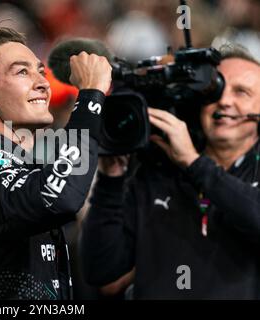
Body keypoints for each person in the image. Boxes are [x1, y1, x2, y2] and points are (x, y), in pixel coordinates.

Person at [0, 27, 112, 300]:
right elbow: (62, 196)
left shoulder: (11, 167)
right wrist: (90, 97)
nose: (43, 83)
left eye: (40, 71)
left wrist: (113, 178)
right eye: (22, 72)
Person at [80, 47, 260, 299]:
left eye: (241, 92)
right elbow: (101, 269)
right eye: (215, 90)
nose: (225, 101)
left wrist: (194, 163)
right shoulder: (159, 169)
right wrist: (112, 178)